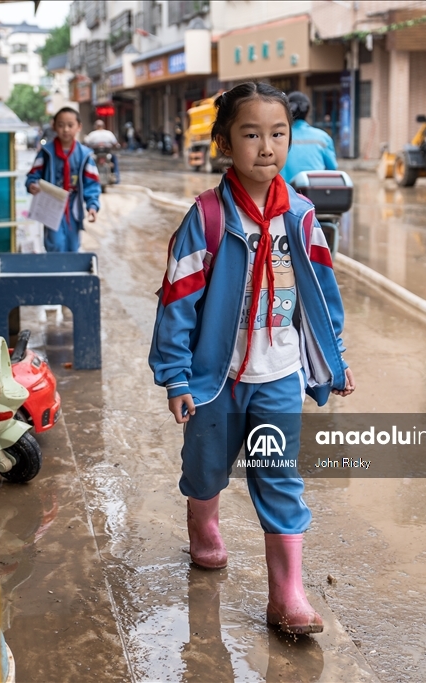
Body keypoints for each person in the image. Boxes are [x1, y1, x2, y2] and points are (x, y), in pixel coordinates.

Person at [148, 83, 355, 635]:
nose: (267, 146)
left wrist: (333, 359)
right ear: (224, 143)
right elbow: (178, 299)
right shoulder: (210, 217)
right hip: (215, 380)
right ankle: (204, 522)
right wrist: (175, 377)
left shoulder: (303, 217)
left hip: (278, 377)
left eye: (278, 133)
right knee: (206, 468)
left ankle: (287, 597)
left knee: (279, 476)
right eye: (251, 134)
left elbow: (322, 294)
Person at [26, 107, 101, 253]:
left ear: (79, 127)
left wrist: (92, 205)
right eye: (60, 125)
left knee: (73, 245)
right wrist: (32, 185)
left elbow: (91, 183)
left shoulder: (84, 155)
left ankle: (71, 274)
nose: (65, 129)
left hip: (73, 207)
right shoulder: (46, 153)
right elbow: (33, 175)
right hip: (51, 206)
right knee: (56, 243)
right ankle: (56, 274)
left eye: (70, 125)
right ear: (54, 126)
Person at [280, 91, 337, 182]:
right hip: (315, 192)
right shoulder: (323, 137)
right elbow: (332, 168)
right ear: (308, 112)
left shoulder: (279, 137)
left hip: (286, 192)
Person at [84, 119, 121, 183]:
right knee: (114, 159)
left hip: (96, 153)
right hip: (106, 153)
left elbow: (86, 143)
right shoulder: (109, 133)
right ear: (103, 126)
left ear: (96, 126)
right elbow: (115, 143)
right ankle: (116, 179)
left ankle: (86, 179)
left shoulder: (92, 134)